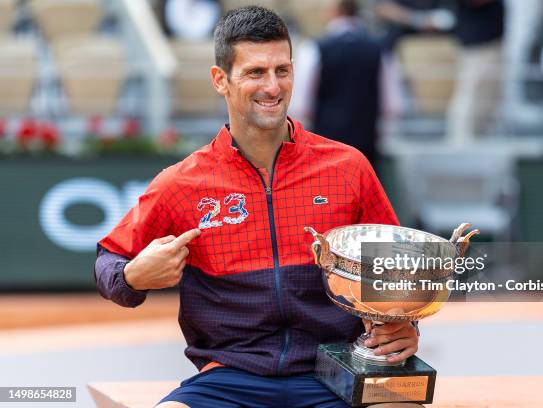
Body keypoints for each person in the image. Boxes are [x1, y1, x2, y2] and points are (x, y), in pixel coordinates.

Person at [94, 6, 419, 408]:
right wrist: (131, 276)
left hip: (337, 371)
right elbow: (109, 259)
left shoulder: (347, 167)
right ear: (220, 80)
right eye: (255, 73)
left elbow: (398, 271)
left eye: (282, 70)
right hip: (228, 378)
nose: (273, 86)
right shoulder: (182, 183)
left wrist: (405, 322)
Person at [290, 0, 403, 166]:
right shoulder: (379, 49)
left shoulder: (315, 48)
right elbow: (392, 104)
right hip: (366, 138)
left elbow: (301, 102)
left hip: (324, 138)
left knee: (328, 190)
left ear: (334, 11)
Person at [445, 0, 505, 144]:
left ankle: (481, 138)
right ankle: (460, 140)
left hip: (491, 41)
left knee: (489, 98)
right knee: (470, 93)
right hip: (476, 45)